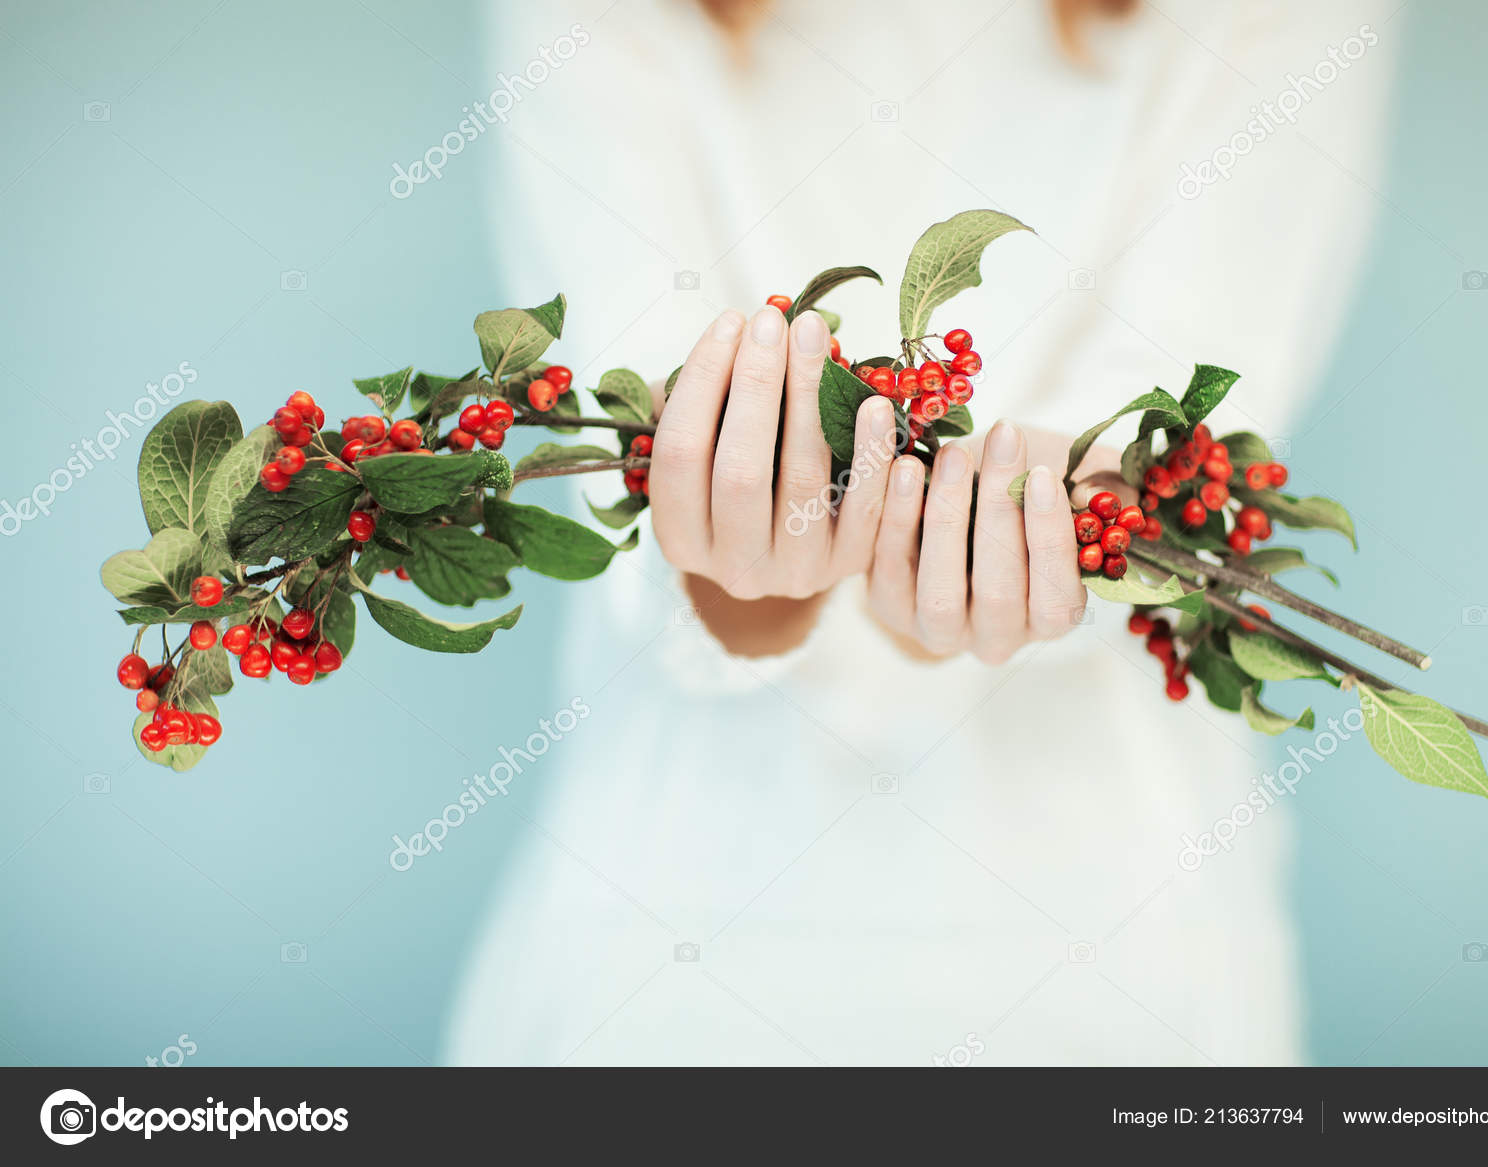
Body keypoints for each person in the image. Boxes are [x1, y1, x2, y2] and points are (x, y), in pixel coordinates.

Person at [446, 0, 1395, 1064]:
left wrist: (1064, 526)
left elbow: (1170, 427)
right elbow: (644, 441)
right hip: (675, 938)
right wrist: (743, 574)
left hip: (1115, 948)